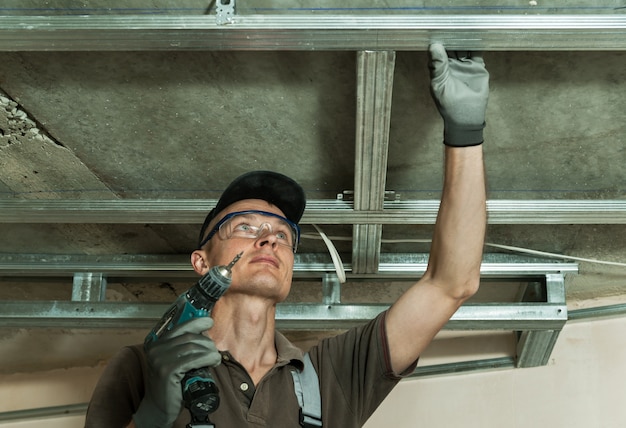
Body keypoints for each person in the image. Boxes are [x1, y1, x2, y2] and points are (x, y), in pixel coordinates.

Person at [85, 43, 489, 428]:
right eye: (246, 227)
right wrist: (152, 414)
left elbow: (450, 283)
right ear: (201, 262)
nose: (269, 239)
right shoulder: (144, 366)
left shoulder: (334, 376)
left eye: (282, 234)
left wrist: (466, 131)